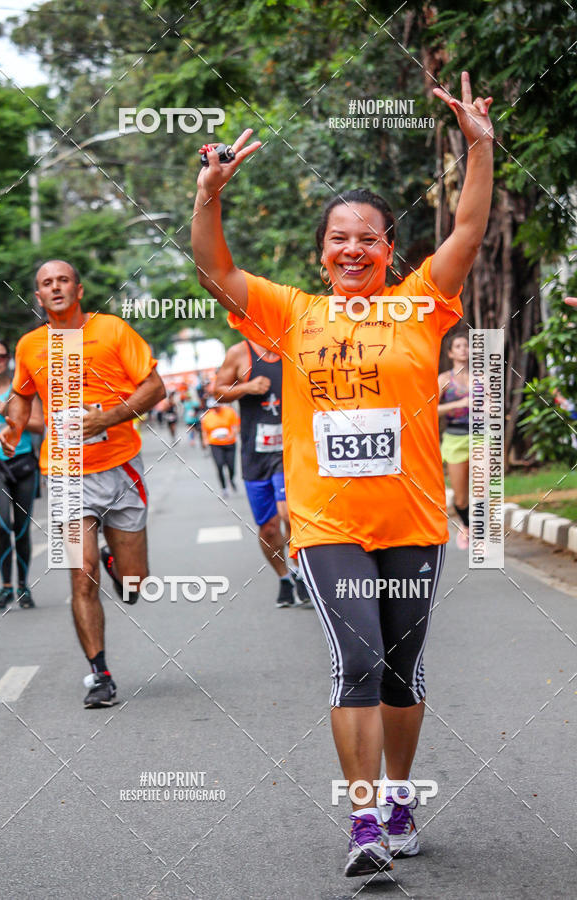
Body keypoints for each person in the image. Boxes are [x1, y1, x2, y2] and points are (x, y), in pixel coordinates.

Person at [192, 71, 493, 876]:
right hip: (328, 524)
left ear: (389, 251)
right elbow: (216, 272)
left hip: (414, 521)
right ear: (321, 252)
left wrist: (479, 147)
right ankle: (363, 824)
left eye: (368, 238)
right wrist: (209, 196)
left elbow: (468, 230)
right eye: (339, 238)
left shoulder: (421, 304)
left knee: (402, 670)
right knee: (358, 660)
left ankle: (400, 797)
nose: (352, 248)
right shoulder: (291, 313)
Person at [0, 260, 165, 708]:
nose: (55, 287)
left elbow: (155, 388)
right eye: (46, 283)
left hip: (120, 466)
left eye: (63, 280)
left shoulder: (112, 330)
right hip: (66, 472)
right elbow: (22, 396)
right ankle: (100, 674)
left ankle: (119, 566)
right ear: (39, 297)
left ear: (79, 289)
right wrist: (15, 426)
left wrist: (107, 418)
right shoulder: (30, 345)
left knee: (135, 583)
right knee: (82, 573)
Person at [213, 338, 310, 607]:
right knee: (268, 528)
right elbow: (217, 392)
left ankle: (300, 569)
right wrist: (246, 387)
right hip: (254, 454)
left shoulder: (292, 345)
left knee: (288, 513)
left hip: (289, 450)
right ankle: (284, 578)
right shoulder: (239, 352)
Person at [0, 338, 44, 609]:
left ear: (8, 359)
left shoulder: (23, 390)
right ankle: (6, 587)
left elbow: (39, 425)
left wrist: (12, 415)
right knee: (3, 525)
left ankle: (23, 587)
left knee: (22, 529)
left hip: (24, 464)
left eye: (1, 356)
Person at [438, 333, 470, 549]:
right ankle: (466, 526)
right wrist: (459, 404)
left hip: (480, 436)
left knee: (483, 486)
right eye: (458, 346)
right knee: (460, 498)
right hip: (454, 437)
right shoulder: (444, 380)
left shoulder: (482, 379)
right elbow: (430, 409)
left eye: (466, 345)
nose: (463, 349)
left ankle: (481, 531)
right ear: (450, 353)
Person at [200, 399, 239, 496]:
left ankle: (231, 479)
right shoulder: (207, 416)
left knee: (231, 466)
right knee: (219, 464)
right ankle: (224, 487)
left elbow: (235, 426)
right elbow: (204, 431)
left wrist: (232, 435)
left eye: (217, 407)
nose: (215, 409)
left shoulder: (229, 412)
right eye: (213, 408)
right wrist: (205, 441)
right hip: (215, 444)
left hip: (229, 443)